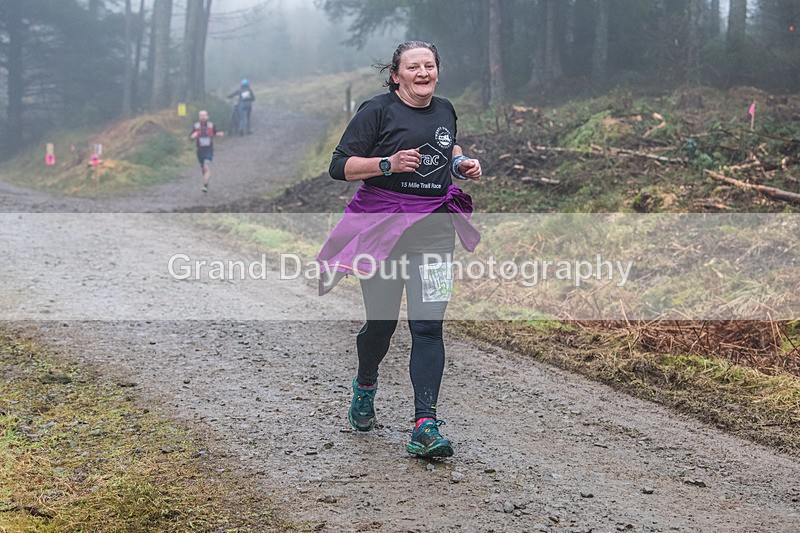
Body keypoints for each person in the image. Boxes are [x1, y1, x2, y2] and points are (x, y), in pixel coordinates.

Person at [318, 41, 482, 459]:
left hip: (435, 233)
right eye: (414, 66)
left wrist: (461, 163)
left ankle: (424, 424)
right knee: (382, 324)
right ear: (396, 75)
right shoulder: (377, 111)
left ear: (438, 72)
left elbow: (449, 146)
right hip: (384, 232)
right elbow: (340, 166)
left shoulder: (445, 108)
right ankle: (366, 383)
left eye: (430, 65)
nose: (423, 72)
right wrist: (387, 163)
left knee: (428, 327)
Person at [189, 110, 223, 192]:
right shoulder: (195, 126)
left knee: (206, 166)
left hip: (208, 149)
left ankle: (205, 185)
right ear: (199, 117)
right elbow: (191, 136)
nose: (203, 117)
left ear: (208, 117)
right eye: (201, 116)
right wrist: (192, 136)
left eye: (204, 115)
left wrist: (219, 134)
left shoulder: (211, 125)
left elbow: (215, 132)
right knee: (203, 168)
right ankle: (206, 182)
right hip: (199, 150)